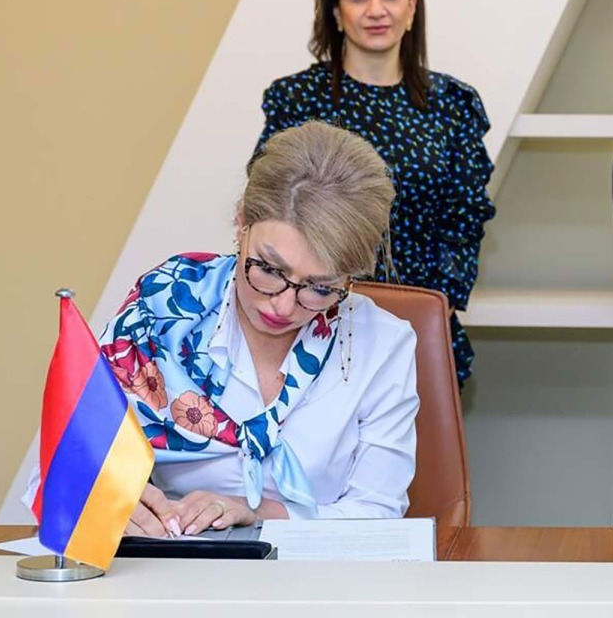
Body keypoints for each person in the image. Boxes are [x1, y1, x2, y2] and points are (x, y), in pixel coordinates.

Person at [27, 122, 420, 536]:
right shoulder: (161, 310)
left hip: (318, 585)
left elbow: (379, 514)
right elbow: (57, 468)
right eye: (269, 269)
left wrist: (262, 513)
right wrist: (109, 501)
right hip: (172, 578)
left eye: (321, 288)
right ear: (242, 225)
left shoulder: (381, 343)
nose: (283, 305)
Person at [254, 0, 495, 386]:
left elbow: (464, 221)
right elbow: (268, 210)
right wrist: (307, 296)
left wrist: (431, 307)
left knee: (418, 458)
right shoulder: (295, 100)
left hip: (416, 328)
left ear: (412, 7)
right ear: (335, 12)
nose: (376, 9)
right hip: (307, 322)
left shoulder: (454, 104)